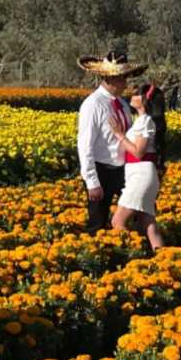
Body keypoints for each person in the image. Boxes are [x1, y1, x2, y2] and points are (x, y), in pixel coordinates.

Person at [76, 51, 148, 233]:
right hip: (102, 171)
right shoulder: (93, 105)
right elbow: (85, 146)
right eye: (121, 78)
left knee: (138, 211)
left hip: (123, 169)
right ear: (108, 78)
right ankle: (100, 254)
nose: (125, 82)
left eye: (125, 77)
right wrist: (92, 181)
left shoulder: (122, 104)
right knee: (97, 222)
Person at [109, 82, 166, 249]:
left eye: (136, 94)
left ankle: (133, 253)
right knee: (148, 224)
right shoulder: (142, 121)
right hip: (140, 174)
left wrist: (119, 135)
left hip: (140, 175)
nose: (131, 97)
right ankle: (163, 257)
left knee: (117, 221)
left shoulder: (145, 122)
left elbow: (138, 152)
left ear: (144, 100)